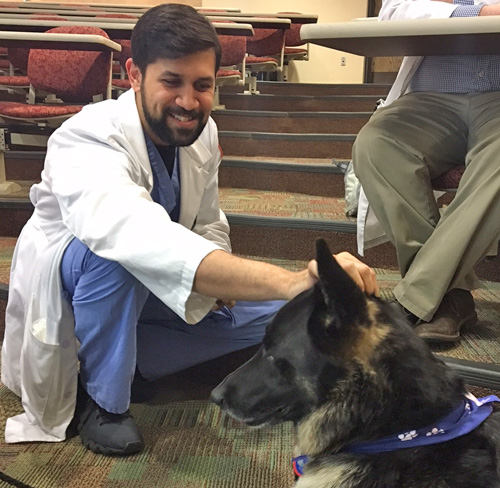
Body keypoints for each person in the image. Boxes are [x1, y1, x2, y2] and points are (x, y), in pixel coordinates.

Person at [1, 4, 378, 456]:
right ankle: (104, 401)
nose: (188, 101)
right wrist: (290, 278)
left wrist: (232, 286)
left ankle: (134, 355)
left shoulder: (202, 132)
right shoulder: (85, 136)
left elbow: (209, 221)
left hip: (152, 293)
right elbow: (132, 235)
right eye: (171, 82)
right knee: (114, 260)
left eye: (202, 85)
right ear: (135, 74)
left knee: (299, 305)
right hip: (84, 290)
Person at [353, 0, 500, 343]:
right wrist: (478, 13)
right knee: (376, 143)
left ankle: (416, 300)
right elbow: (393, 10)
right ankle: (451, 296)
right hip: (432, 98)